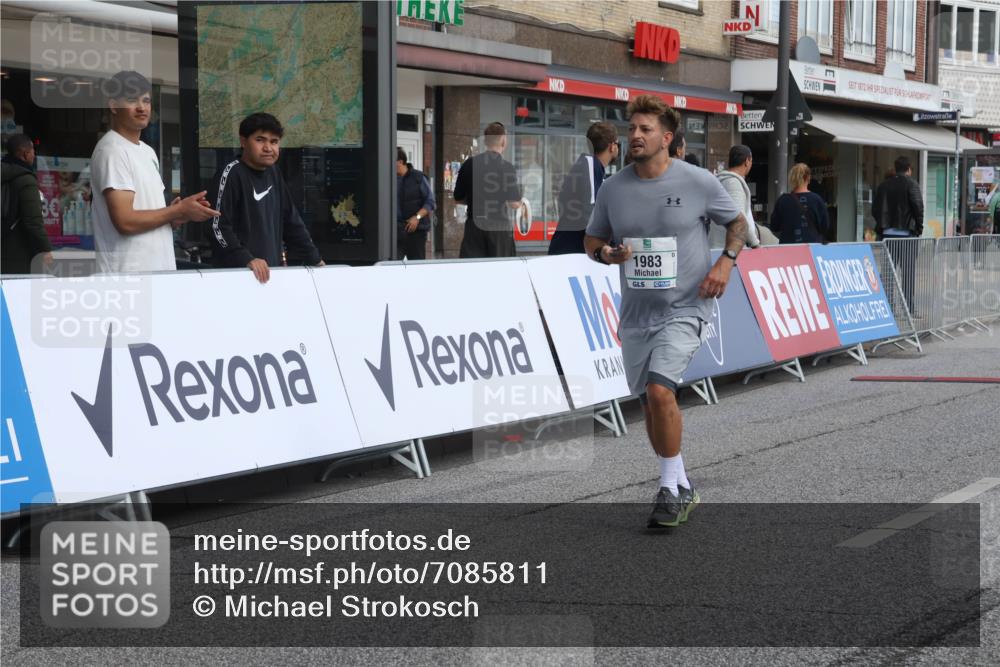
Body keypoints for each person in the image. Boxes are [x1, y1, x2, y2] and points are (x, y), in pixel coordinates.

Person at [583, 94, 748, 530]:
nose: (635, 135)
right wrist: (605, 255)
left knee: (660, 392)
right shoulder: (613, 188)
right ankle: (681, 482)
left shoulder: (697, 182)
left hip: (686, 306)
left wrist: (724, 263)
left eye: (645, 129)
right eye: (632, 128)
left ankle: (670, 488)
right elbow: (592, 239)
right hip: (637, 314)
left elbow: (739, 223)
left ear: (667, 137)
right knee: (652, 405)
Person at [90, 70, 218, 273]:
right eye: (132, 100)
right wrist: (176, 210)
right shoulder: (112, 150)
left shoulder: (147, 151)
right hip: (127, 280)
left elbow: (148, 215)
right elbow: (125, 221)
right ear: (114, 105)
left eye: (146, 100)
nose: (142, 107)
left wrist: (178, 215)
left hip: (158, 275)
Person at [208, 113, 324, 283]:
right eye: (260, 140)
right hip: (235, 278)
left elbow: (291, 222)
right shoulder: (230, 173)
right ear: (243, 141)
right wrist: (246, 258)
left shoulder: (274, 173)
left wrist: (315, 260)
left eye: (274, 141)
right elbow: (216, 226)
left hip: (270, 276)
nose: (268, 148)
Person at [453, 122, 524, 258]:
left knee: (473, 271)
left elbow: (458, 198)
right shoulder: (507, 167)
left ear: (485, 141)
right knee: (500, 272)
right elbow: (514, 203)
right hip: (499, 228)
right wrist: (522, 203)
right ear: (503, 140)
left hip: (474, 226)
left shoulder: (469, 164)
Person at [548, 121, 618, 255]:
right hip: (570, 252)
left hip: (573, 251)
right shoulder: (589, 165)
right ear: (612, 146)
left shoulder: (592, 168)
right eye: (617, 144)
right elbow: (590, 213)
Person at [872, 156, 923, 312]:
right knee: (908, 272)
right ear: (908, 169)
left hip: (888, 235)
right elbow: (918, 208)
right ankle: (909, 307)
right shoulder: (912, 184)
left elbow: (875, 210)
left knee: (888, 271)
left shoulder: (883, 186)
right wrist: (918, 228)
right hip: (907, 235)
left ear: (895, 168)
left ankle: (889, 306)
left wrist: (882, 228)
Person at [1, 134, 53, 274]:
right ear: (25, 154)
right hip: (17, 251)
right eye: (32, 151)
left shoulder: (4, 173)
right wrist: (45, 249)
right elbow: (33, 221)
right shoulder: (26, 180)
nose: (34, 155)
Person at [714, 145, 762, 250]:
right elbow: (740, 218)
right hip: (730, 250)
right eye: (751, 161)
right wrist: (755, 243)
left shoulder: (719, 181)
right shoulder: (733, 183)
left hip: (718, 247)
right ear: (747, 161)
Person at [769, 163, 829, 244]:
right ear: (808, 178)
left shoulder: (783, 200)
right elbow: (825, 226)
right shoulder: (817, 200)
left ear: (792, 178)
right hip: (811, 249)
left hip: (787, 250)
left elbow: (774, 227)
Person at [395, 147, 435, 260]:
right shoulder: (388, 179)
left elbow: (430, 201)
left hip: (416, 231)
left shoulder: (418, 177)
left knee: (416, 266)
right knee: (393, 266)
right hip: (396, 230)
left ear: (400, 162)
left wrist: (417, 217)